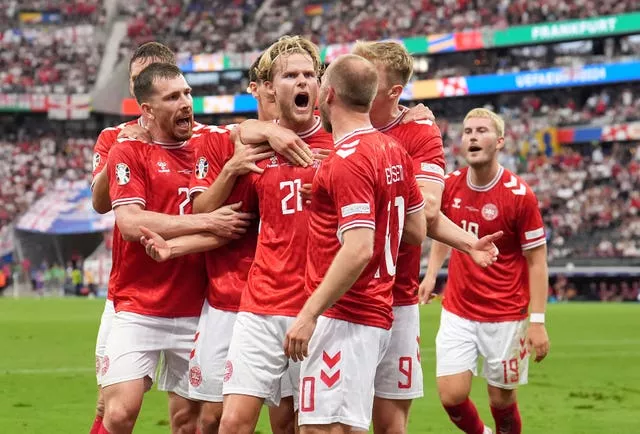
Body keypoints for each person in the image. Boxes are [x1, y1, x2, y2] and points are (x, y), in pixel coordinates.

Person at [352, 41, 503, 434]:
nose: (358, 82)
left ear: (394, 92)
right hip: (337, 294)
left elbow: (429, 213)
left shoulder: (418, 131)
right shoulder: (333, 115)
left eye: (370, 76)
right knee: (328, 421)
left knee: (390, 424)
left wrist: (467, 243)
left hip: (396, 296)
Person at [100, 63, 251, 434]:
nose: (186, 103)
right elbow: (131, 223)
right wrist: (207, 221)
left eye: (187, 93)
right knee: (118, 413)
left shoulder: (211, 141)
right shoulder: (128, 150)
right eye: (173, 97)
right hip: (138, 304)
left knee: (192, 423)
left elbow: (253, 128)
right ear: (147, 110)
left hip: (197, 307)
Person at [283, 54, 426, 434]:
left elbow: (359, 248)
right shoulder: (394, 150)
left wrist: (309, 313)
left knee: (324, 429)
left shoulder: (345, 159)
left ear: (327, 95)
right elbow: (415, 229)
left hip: (344, 314)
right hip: (377, 312)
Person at [420, 108, 551, 434]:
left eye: (481, 130)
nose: (473, 136)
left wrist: (537, 322)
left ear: (500, 141)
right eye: (467, 131)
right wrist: (431, 272)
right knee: (451, 396)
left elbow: (537, 261)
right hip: (459, 310)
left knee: (503, 403)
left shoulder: (519, 196)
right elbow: (441, 231)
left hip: (506, 315)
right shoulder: (449, 185)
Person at [88, 41, 178, 434]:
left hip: (189, 287)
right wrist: (122, 151)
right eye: (136, 78)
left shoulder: (195, 135)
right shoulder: (114, 136)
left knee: (190, 415)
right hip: (128, 290)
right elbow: (99, 203)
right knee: (111, 404)